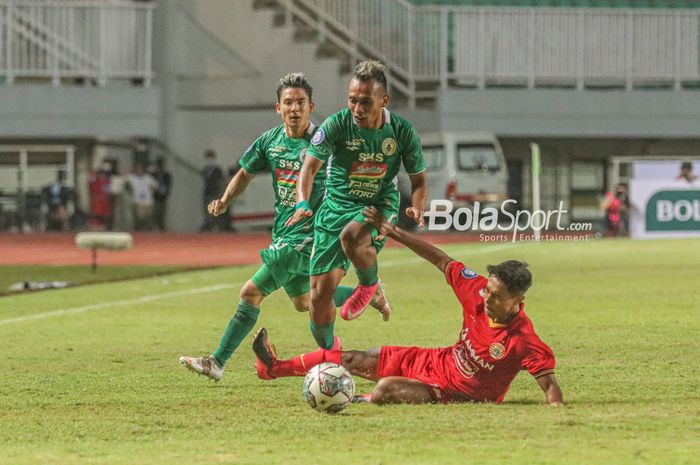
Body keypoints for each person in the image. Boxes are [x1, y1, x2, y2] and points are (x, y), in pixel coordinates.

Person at [179, 73, 391, 382]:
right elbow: (244, 173)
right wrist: (224, 201)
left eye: (301, 103)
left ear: (311, 106)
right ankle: (360, 304)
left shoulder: (326, 142)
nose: (295, 109)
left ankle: (217, 361)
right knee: (304, 301)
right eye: (289, 103)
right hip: (283, 230)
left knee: (250, 292)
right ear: (278, 108)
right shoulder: (270, 141)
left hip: (312, 235)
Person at [252, 206, 564, 406]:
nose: (486, 297)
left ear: (518, 302)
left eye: (496, 296)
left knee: (387, 388)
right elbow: (441, 259)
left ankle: (355, 399)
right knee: (353, 357)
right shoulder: (477, 290)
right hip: (437, 361)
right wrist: (394, 232)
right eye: (487, 290)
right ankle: (272, 369)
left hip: (456, 394)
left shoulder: (524, 341)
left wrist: (558, 414)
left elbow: (550, 388)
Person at [285, 60, 428, 351]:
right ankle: (331, 354)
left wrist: (417, 206)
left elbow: (419, 181)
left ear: (384, 100)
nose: (358, 109)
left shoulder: (401, 132)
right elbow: (309, 169)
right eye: (352, 101)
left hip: (379, 203)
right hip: (335, 207)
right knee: (318, 298)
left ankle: (368, 285)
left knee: (352, 235)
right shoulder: (337, 125)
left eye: (365, 102)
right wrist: (302, 201)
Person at [200, 149, 227, 231]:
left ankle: (217, 226)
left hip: (215, 192)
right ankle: (209, 225)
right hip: (208, 192)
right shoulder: (205, 170)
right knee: (207, 210)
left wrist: (220, 192)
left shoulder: (217, 169)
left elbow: (221, 181)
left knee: (215, 210)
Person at [126, 162, 158, 231]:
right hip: (138, 202)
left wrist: (151, 191)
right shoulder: (132, 178)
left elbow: (155, 186)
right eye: (138, 169)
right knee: (138, 220)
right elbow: (125, 178)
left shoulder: (148, 178)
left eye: (141, 169)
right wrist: (130, 170)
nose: (139, 170)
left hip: (147, 202)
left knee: (147, 220)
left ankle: (147, 233)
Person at [151, 157, 172, 231]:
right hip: (155, 197)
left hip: (163, 197)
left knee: (162, 213)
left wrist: (166, 192)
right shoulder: (154, 174)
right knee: (155, 213)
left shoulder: (166, 174)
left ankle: (161, 226)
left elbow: (169, 185)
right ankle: (154, 227)